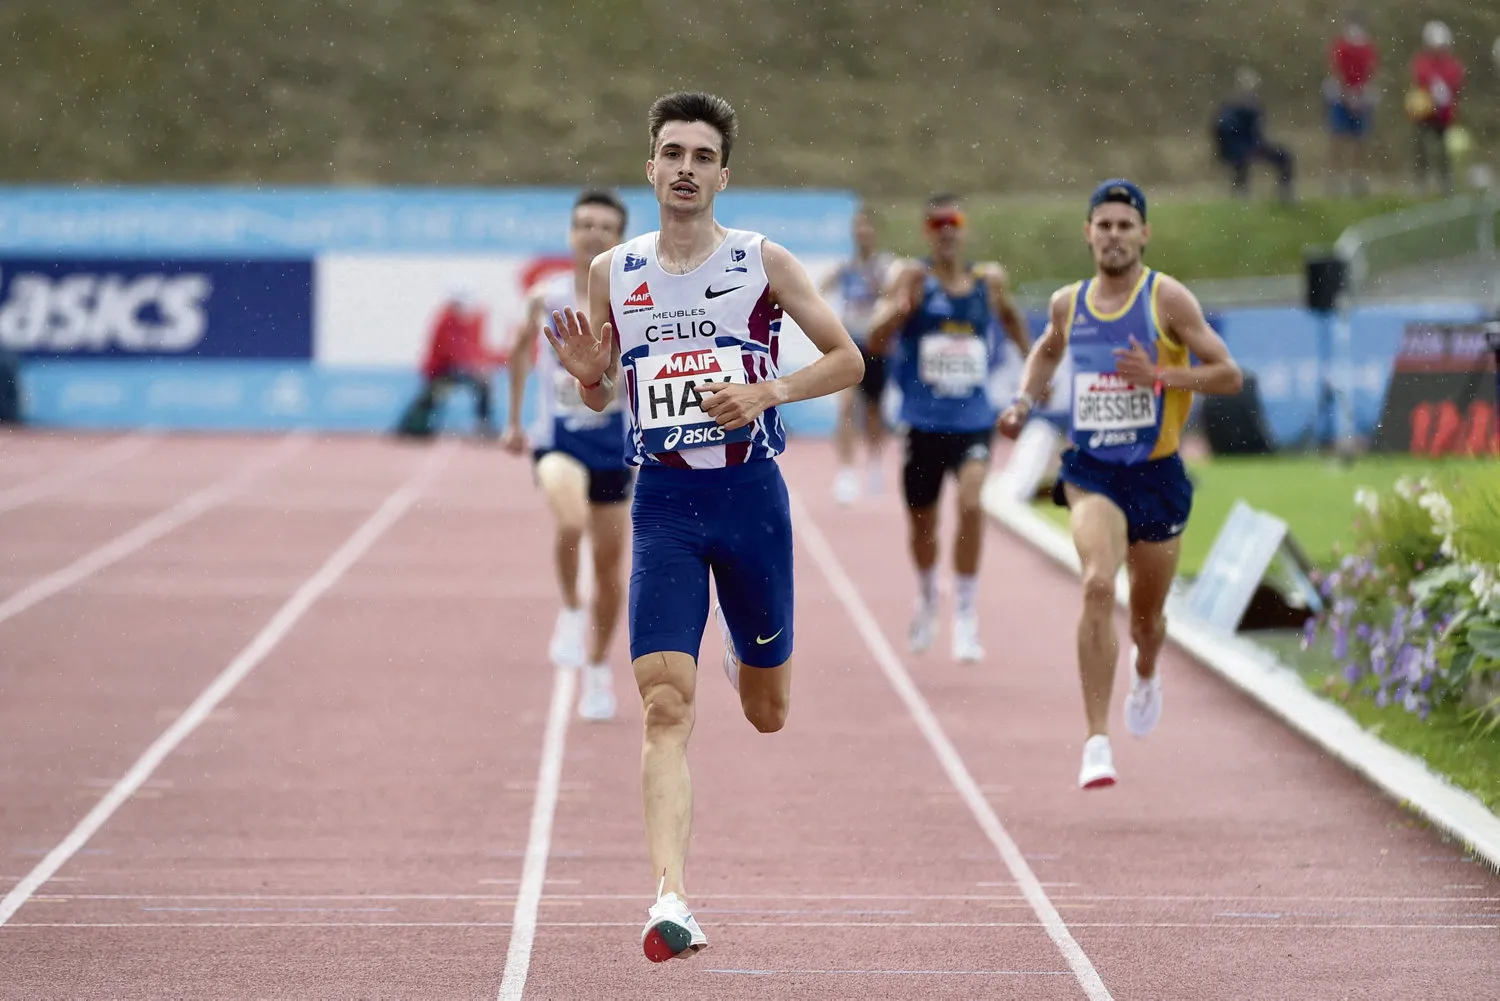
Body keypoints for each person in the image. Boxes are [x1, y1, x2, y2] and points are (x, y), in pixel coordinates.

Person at [544, 91, 863, 962]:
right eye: (673, 154)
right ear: (650, 167)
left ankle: (741, 652)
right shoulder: (613, 271)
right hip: (665, 506)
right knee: (663, 706)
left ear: (724, 175)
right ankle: (670, 897)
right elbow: (601, 392)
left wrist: (769, 390)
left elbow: (849, 359)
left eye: (703, 156)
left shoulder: (762, 261)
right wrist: (590, 379)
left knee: (767, 712)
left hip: (751, 500)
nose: (686, 169)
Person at [997, 180, 1243, 790]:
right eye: (1103, 225)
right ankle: (1096, 742)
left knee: (1147, 621)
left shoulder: (1167, 299)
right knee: (1099, 585)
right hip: (1093, 472)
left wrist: (1159, 375)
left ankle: (1147, 669)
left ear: (1143, 234)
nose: (1113, 235)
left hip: (1156, 474)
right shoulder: (1069, 303)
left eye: (1124, 226)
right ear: (1088, 234)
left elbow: (1228, 374)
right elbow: (1047, 352)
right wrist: (1024, 400)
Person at [866, 195, 1030, 663]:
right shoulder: (910, 276)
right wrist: (902, 309)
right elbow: (875, 339)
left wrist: (1034, 366)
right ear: (927, 231)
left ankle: (965, 611)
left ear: (964, 227)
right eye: (937, 223)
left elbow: (1012, 319)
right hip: (923, 422)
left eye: (953, 221)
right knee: (923, 528)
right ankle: (926, 595)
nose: (947, 230)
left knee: (973, 503)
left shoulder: (988, 280)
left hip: (973, 419)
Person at [502, 190, 634, 720]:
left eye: (605, 226)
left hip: (612, 444)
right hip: (557, 438)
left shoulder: (632, 300)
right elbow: (517, 351)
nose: (593, 233)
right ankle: (571, 611)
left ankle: (598, 669)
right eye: (585, 224)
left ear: (619, 238)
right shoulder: (546, 296)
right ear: (571, 233)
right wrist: (514, 421)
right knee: (570, 516)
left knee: (609, 569)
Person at [819, 205, 897, 504]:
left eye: (867, 227)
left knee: (874, 412)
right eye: (858, 228)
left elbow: (895, 297)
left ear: (875, 232)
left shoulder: (886, 267)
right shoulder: (846, 267)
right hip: (850, 346)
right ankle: (846, 473)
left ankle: (874, 462)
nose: (862, 232)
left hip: (877, 346)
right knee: (846, 407)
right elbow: (820, 289)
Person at [396, 290, 505, 439]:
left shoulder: (465, 322)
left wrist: (487, 363)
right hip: (441, 371)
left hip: (455, 370)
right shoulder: (446, 321)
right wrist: (475, 366)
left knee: (483, 383)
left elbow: (473, 349)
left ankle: (483, 424)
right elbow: (452, 351)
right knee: (437, 393)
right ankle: (416, 425)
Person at [1213, 67, 1296, 202]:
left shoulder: (1237, 104)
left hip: (1245, 147)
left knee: (1283, 156)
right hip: (1242, 147)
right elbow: (1226, 131)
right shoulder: (1240, 106)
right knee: (1244, 159)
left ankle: (1282, 192)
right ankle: (1243, 192)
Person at [1407, 21, 1465, 196]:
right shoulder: (1422, 61)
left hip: (1444, 115)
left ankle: (1446, 182)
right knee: (1421, 148)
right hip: (1425, 113)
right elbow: (1420, 76)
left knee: (1444, 150)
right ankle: (1421, 181)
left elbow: (1456, 82)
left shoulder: (1452, 64)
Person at [1325, 11, 1379, 197]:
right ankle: (1335, 178)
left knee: (1360, 139)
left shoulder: (1368, 47)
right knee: (1338, 137)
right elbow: (1336, 69)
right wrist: (1346, 93)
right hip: (1340, 96)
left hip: (1362, 97)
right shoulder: (1341, 45)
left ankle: (1357, 177)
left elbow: (1370, 71)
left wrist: (1359, 93)